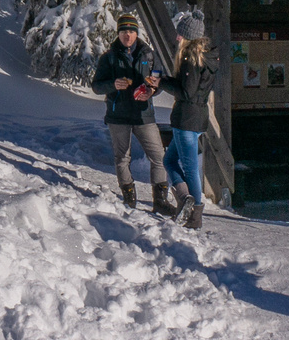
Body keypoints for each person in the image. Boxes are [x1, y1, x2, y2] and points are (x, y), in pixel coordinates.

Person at [90, 13, 170, 212]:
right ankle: (129, 198)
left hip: (144, 114)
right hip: (118, 116)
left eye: (132, 31)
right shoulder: (108, 58)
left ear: (137, 33)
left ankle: (160, 201)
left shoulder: (149, 55)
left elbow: (159, 80)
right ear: (118, 33)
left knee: (159, 157)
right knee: (122, 158)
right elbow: (96, 86)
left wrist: (152, 90)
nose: (128, 35)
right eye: (124, 31)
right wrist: (113, 85)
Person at [159, 16, 215, 229]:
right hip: (197, 118)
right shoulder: (206, 59)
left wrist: (163, 83)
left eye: (180, 34)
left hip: (186, 120)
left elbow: (186, 91)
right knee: (170, 161)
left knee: (189, 168)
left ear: (189, 38)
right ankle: (185, 199)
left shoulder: (191, 59)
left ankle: (193, 213)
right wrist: (164, 81)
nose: (177, 37)